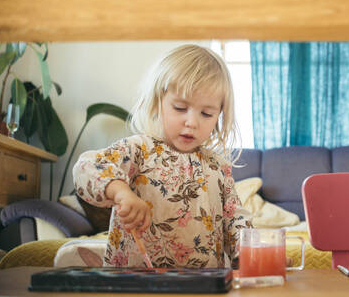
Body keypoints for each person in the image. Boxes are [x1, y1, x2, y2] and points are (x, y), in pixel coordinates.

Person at [74, 44, 252, 268]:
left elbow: (236, 221)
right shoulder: (139, 149)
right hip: (134, 283)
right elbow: (86, 168)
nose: (192, 122)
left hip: (202, 286)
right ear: (157, 102)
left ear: (219, 116)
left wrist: (257, 254)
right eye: (179, 108)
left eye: (206, 113)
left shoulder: (218, 166)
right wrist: (121, 193)